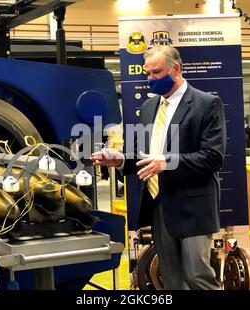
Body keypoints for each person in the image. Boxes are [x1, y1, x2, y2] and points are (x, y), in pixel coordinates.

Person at [92, 45, 226, 289]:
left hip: (194, 207)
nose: (150, 79)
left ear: (175, 70)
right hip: (159, 205)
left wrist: (167, 162)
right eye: (148, 73)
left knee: (198, 276)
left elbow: (212, 157)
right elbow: (143, 156)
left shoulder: (206, 104)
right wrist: (120, 160)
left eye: (156, 72)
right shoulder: (148, 108)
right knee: (171, 278)